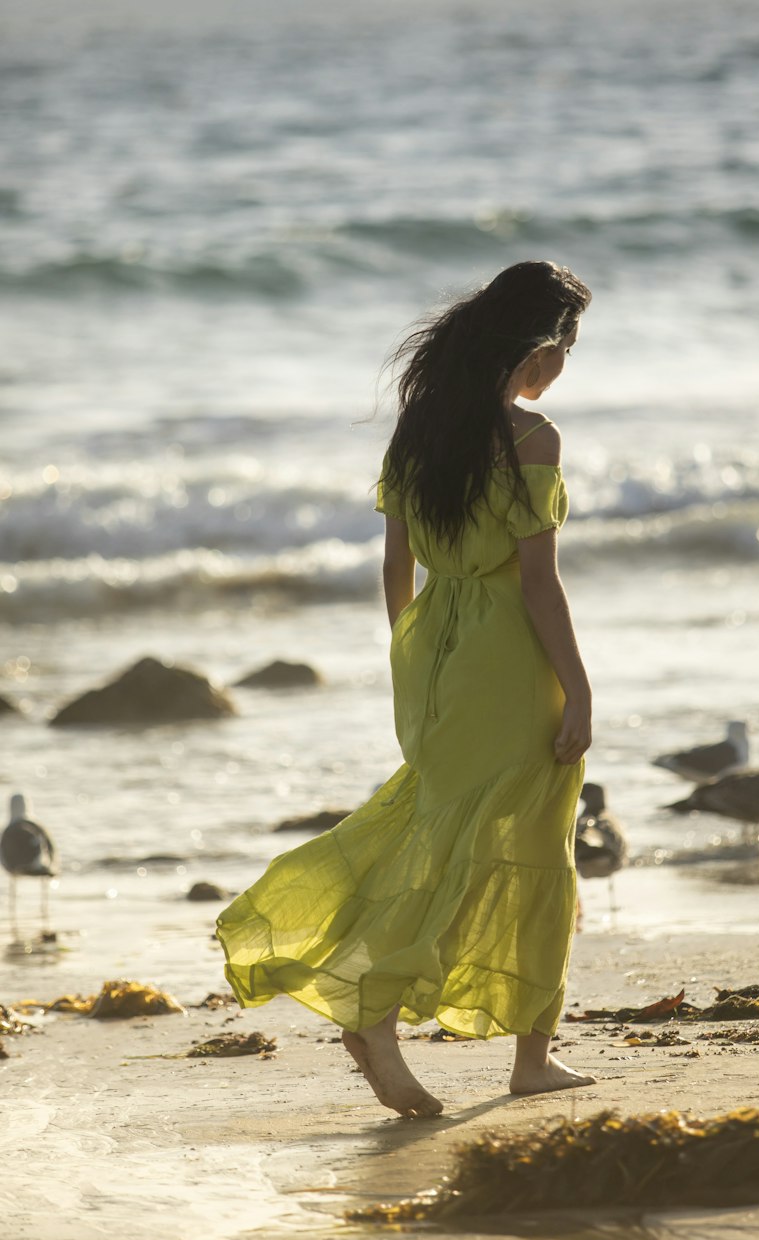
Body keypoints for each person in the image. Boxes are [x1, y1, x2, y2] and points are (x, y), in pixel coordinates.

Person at [217, 261, 595, 1117]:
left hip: (432, 655)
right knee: (533, 838)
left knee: (441, 827)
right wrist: (578, 687)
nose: (568, 364)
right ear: (542, 347)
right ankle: (424, 1023)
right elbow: (540, 586)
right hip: (507, 659)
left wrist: (414, 658)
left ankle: (447, 1028)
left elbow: (398, 567)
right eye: (569, 345)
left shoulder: (419, 430)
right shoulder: (533, 439)